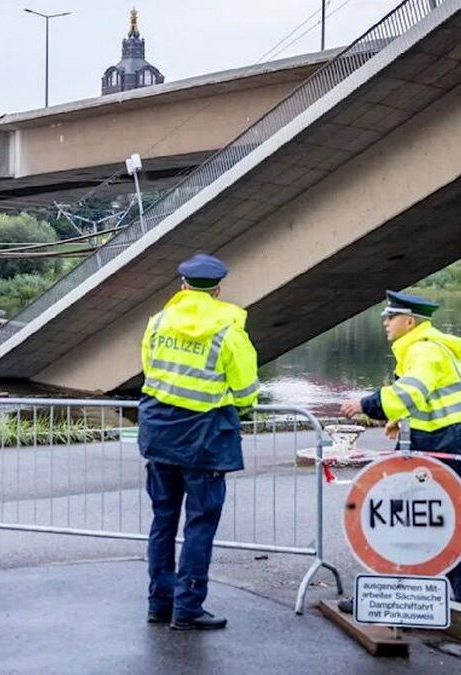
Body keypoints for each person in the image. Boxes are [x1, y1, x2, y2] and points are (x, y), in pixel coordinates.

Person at [340, 290, 461, 610]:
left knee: (419, 521)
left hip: (446, 445)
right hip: (438, 443)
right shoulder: (419, 348)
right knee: (422, 521)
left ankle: (396, 597)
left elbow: (410, 392)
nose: (385, 322)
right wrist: (400, 419)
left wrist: (365, 404)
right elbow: (423, 397)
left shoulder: (424, 351)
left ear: (409, 321)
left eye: (391, 317)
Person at [138, 253, 259, 630]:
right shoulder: (229, 330)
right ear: (218, 290)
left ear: (183, 286)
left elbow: (150, 370)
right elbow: (245, 393)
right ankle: (188, 608)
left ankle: (159, 604)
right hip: (204, 440)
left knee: (163, 520)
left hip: (160, 432)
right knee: (200, 524)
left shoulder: (157, 323)